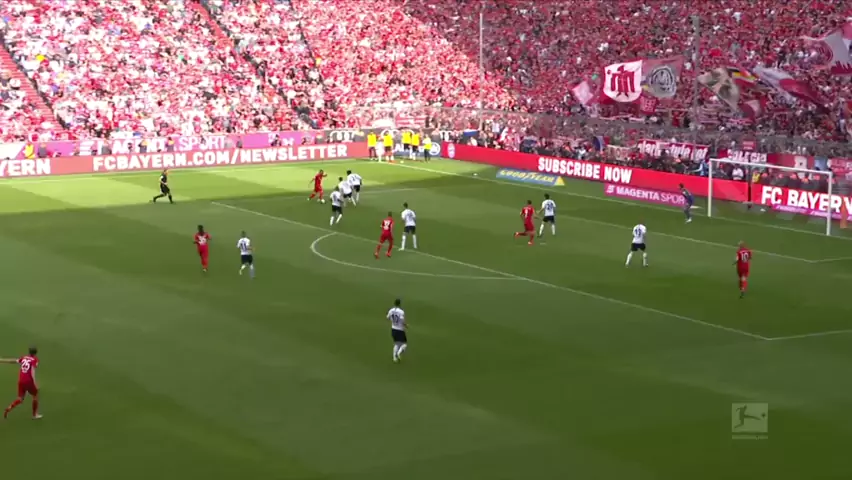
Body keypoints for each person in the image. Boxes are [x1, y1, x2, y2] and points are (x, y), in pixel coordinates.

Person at [1, 346, 41, 420]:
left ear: (29, 351)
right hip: (29, 381)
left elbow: (12, 361)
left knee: (20, 398)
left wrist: (2, 360)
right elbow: (32, 371)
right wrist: (35, 383)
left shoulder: (24, 358)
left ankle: (9, 408)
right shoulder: (35, 360)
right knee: (35, 396)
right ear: (36, 353)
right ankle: (34, 415)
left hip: (21, 380)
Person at [387, 299, 407, 363]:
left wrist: (393, 321)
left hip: (393, 329)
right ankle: (398, 353)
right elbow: (402, 320)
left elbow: (388, 317)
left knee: (396, 344)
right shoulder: (401, 312)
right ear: (399, 304)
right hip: (400, 330)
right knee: (404, 344)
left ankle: (394, 358)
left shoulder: (391, 310)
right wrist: (406, 325)